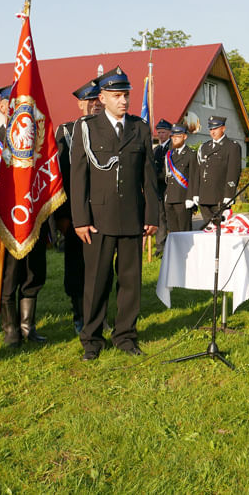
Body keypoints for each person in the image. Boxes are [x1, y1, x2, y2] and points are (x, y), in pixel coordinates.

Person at [70, 66, 158, 361]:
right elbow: (78, 177)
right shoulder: (87, 128)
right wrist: (80, 219)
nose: (124, 101)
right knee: (96, 283)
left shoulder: (140, 128)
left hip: (132, 217)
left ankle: (125, 336)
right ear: (103, 97)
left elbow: (149, 177)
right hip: (98, 220)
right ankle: (92, 340)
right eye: (117, 95)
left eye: (126, 95)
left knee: (130, 281)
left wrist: (151, 216)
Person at [0, 85, 48, 347]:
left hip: (33, 221)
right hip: (4, 222)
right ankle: (11, 329)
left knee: (34, 274)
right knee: (9, 277)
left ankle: (27, 325)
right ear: (2, 107)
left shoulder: (37, 141)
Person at [54, 79, 104, 333]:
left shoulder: (110, 130)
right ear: (80, 103)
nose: (95, 104)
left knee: (101, 267)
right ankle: (79, 313)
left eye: (99, 99)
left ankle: (99, 313)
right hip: (75, 213)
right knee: (76, 266)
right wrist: (62, 215)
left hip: (104, 212)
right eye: (90, 100)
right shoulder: (67, 131)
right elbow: (60, 176)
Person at [192, 116, 242, 227]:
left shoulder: (231, 147)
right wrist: (195, 193)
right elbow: (198, 171)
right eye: (210, 129)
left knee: (221, 230)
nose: (212, 132)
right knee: (208, 229)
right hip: (204, 196)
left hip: (220, 196)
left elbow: (233, 172)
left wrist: (229, 195)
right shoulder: (204, 147)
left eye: (215, 129)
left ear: (223, 128)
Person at [164, 123, 197, 233]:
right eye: (173, 137)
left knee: (184, 232)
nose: (174, 139)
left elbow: (194, 177)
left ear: (184, 137)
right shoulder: (169, 155)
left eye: (177, 136)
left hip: (183, 199)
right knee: (173, 234)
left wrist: (191, 197)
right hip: (170, 199)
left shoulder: (191, 154)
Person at [152, 119, 172, 257]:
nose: (161, 135)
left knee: (171, 218)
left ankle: (171, 247)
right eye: (159, 132)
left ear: (170, 133)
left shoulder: (172, 148)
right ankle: (160, 247)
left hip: (170, 187)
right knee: (160, 218)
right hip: (158, 188)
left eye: (163, 132)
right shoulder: (157, 150)